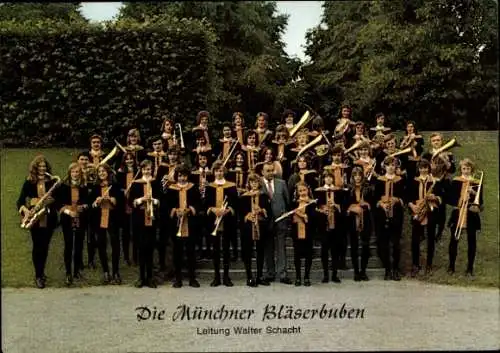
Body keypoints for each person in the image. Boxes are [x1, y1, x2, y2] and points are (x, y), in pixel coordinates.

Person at [17, 155, 59, 288]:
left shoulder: (52, 181)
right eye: (40, 166)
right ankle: (38, 275)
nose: (42, 168)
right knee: (37, 247)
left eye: (44, 166)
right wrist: (26, 211)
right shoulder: (29, 181)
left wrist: (52, 200)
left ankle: (41, 272)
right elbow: (20, 201)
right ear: (35, 167)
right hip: (35, 217)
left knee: (45, 246)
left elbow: (58, 199)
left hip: (49, 217)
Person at [446, 158, 483, 278]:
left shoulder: (477, 183)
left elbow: (480, 202)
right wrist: (461, 200)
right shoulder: (456, 181)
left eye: (468, 169)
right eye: (464, 168)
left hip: (471, 214)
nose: (466, 171)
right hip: (458, 212)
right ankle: (451, 266)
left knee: (472, 242)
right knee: (454, 240)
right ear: (461, 169)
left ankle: (470, 268)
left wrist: (473, 194)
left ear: (471, 170)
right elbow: (450, 199)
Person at [407, 159, 444, 276]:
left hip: (430, 212)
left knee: (431, 240)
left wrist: (435, 197)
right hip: (417, 211)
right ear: (418, 169)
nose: (423, 170)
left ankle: (429, 264)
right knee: (415, 240)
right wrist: (412, 206)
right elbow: (408, 196)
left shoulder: (435, 181)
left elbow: (441, 197)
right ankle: (415, 264)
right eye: (421, 168)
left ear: (429, 168)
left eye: (426, 167)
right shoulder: (413, 181)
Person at [166, 165, 201, 288]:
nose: (182, 178)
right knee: (177, 252)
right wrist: (175, 211)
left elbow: (198, 203)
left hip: (190, 223)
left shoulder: (193, 188)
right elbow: (167, 205)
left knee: (191, 251)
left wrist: (189, 210)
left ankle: (192, 278)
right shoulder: (171, 189)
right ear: (177, 176)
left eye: (184, 175)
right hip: (176, 224)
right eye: (180, 175)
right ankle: (178, 279)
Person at [55, 163, 89, 286]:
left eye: (77, 172)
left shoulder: (83, 187)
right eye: (73, 172)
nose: (75, 174)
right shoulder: (63, 187)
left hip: (80, 218)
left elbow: (87, 202)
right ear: (70, 173)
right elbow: (58, 203)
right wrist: (69, 212)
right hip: (67, 218)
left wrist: (83, 207)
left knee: (79, 245)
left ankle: (76, 271)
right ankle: (68, 273)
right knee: (69, 245)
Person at [205, 161, 238, 286]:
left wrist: (227, 210)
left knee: (226, 250)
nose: (219, 173)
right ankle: (216, 277)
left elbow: (235, 203)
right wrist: (213, 209)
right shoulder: (210, 186)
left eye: (221, 170)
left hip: (227, 221)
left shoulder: (231, 186)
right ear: (213, 172)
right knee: (216, 250)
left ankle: (226, 277)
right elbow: (206, 204)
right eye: (216, 170)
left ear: (224, 172)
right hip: (213, 222)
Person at [129, 160, 161, 288]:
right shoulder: (136, 184)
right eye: (144, 169)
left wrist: (152, 200)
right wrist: (141, 199)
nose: (147, 171)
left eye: (149, 169)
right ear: (141, 170)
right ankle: (141, 277)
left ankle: (150, 277)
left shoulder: (155, 183)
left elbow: (160, 200)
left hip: (152, 219)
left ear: (152, 170)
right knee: (141, 248)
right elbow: (131, 201)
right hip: (139, 219)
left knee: (150, 248)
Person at [374, 156, 406, 281]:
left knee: (396, 243)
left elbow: (404, 195)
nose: (391, 167)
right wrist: (381, 204)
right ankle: (387, 269)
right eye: (389, 165)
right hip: (382, 214)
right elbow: (375, 198)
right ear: (385, 167)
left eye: (393, 165)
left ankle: (396, 269)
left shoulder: (400, 180)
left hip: (396, 214)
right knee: (384, 243)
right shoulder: (379, 180)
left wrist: (397, 199)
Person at [261, 162, 293, 284]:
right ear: (262, 172)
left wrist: (285, 215)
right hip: (266, 221)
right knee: (268, 247)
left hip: (280, 220)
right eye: (267, 171)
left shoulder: (282, 183)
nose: (270, 173)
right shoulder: (258, 184)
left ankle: (283, 274)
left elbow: (287, 200)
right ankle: (270, 273)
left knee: (281, 247)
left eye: (272, 170)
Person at [89, 163, 121, 284]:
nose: (101, 173)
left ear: (108, 172)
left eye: (103, 171)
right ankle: (106, 272)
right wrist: (96, 202)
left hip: (113, 219)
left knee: (115, 244)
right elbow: (91, 204)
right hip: (99, 219)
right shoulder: (95, 187)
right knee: (101, 244)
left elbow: (120, 201)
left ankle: (116, 272)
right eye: (99, 172)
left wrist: (112, 199)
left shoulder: (115, 186)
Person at [239, 174, 272, 287]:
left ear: (259, 183)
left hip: (261, 226)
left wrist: (262, 210)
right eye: (251, 182)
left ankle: (259, 276)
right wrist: (247, 215)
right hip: (248, 227)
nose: (253, 184)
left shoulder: (264, 196)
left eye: (256, 182)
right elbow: (241, 214)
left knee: (260, 251)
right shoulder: (244, 197)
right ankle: (249, 277)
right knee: (247, 251)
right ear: (248, 183)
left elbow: (269, 212)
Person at [315, 170, 345, 283]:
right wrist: (322, 211)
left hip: (336, 224)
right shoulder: (318, 191)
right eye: (326, 177)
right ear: (323, 179)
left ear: (333, 178)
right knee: (324, 250)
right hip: (324, 224)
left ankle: (335, 274)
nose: (328, 179)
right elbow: (315, 207)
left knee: (335, 250)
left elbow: (343, 207)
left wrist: (336, 206)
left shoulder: (339, 191)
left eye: (330, 177)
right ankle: (325, 274)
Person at [346, 167, 373, 281]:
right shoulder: (348, 189)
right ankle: (356, 272)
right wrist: (352, 208)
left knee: (365, 245)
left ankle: (363, 271)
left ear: (362, 176)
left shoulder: (368, 188)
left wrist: (366, 204)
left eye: (359, 175)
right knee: (354, 246)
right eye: (355, 175)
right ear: (352, 177)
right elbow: (344, 205)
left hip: (365, 218)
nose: (357, 177)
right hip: (352, 219)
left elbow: (373, 202)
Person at [290, 182, 317, 286]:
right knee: (297, 255)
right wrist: (294, 216)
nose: (302, 192)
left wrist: (306, 217)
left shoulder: (312, 203)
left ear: (308, 190)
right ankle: (297, 278)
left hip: (308, 231)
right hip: (296, 232)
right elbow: (290, 219)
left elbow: (314, 218)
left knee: (308, 255)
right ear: (297, 192)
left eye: (304, 190)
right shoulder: (294, 203)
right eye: (300, 191)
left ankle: (306, 277)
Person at [116, 151, 139, 266]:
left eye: (131, 159)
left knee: (135, 232)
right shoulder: (120, 173)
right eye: (127, 159)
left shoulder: (138, 172)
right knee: (125, 233)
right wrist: (123, 191)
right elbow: (116, 188)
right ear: (124, 161)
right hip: (123, 205)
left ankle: (135, 257)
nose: (129, 160)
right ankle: (126, 257)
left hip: (135, 205)